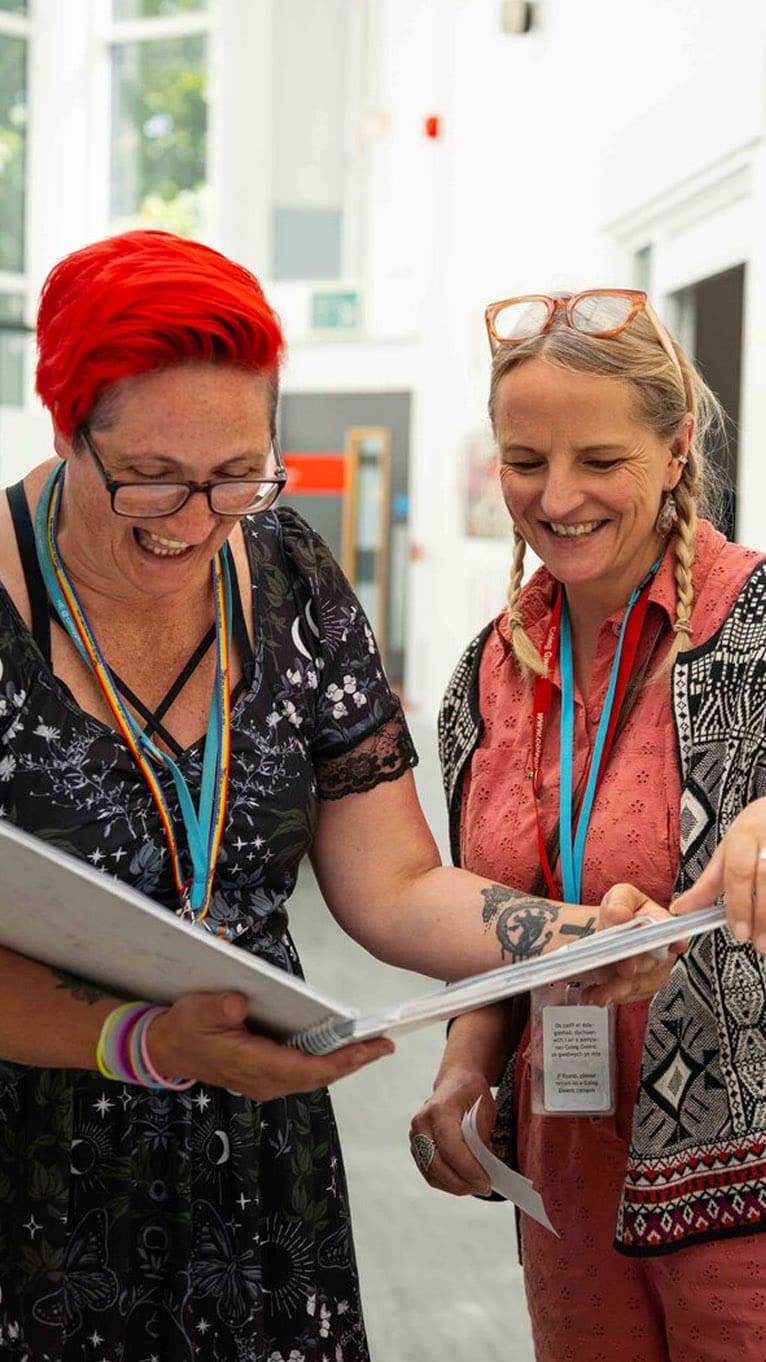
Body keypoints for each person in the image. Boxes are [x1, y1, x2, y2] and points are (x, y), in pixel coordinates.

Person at [0, 241, 667, 1362]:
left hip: (252, 1155)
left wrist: (569, 938)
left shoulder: (288, 571)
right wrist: (143, 1044)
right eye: (152, 475)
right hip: (35, 1156)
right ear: (66, 428)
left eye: (239, 473)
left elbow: (394, 883)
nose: (196, 520)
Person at [409, 289, 766, 1362]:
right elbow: (488, 907)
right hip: (564, 1170)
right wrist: (466, 1065)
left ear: (674, 450)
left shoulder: (756, 629)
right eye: (525, 461)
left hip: (746, 1181)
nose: (556, 497)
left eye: (599, 460)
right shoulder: (488, 674)